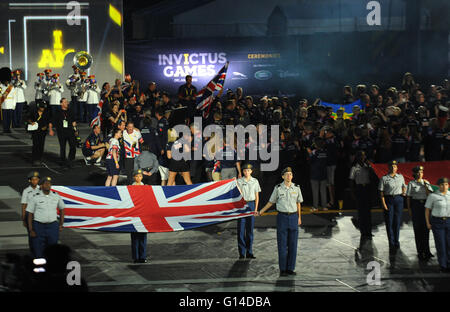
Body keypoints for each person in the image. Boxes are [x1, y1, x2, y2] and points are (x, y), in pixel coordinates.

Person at [257, 167, 303, 276]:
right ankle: (283, 269)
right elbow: (271, 202)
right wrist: (261, 211)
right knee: (282, 244)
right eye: (287, 174)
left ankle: (290, 268)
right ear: (283, 176)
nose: (289, 176)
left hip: (293, 217)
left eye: (290, 174)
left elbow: (298, 203)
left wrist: (299, 217)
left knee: (293, 244)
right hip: (282, 217)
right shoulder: (278, 188)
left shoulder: (296, 188)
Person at [27, 176, 65, 259]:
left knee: (53, 247)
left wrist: (61, 224)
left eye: (49, 184)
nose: (48, 185)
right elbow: (30, 214)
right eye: (46, 184)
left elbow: (62, 209)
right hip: (39, 226)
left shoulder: (56, 196)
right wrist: (31, 229)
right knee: (38, 248)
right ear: (41, 186)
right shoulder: (35, 197)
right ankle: (40, 268)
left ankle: (50, 267)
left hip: (52, 226)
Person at [406, 166, 434, 261]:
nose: (420, 174)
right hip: (416, 206)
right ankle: (420, 252)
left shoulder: (426, 182)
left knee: (426, 229)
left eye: (421, 172)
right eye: (418, 172)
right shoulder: (411, 183)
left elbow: (429, 195)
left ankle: (427, 251)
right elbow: (408, 197)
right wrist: (409, 209)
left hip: (425, 206)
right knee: (418, 230)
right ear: (414, 174)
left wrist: (426, 185)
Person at [378, 160, 406, 252]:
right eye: (391, 166)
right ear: (388, 168)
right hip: (389, 199)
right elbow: (381, 192)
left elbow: (403, 186)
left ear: (397, 168)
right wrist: (384, 204)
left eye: (395, 167)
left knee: (397, 222)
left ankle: (396, 241)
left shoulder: (400, 177)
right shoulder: (384, 178)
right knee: (389, 222)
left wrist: (404, 191)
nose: (393, 168)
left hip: (398, 199)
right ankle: (391, 242)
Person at [236, 163, 261, 259]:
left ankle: (249, 252)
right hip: (242, 205)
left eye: (248, 170)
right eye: (245, 171)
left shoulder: (255, 181)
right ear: (243, 171)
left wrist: (255, 209)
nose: (247, 172)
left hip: (251, 204)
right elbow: (238, 194)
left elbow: (257, 196)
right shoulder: (239, 181)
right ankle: (242, 253)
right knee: (241, 230)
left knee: (250, 230)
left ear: (251, 171)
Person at [425, 177, 450, 273]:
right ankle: (443, 265)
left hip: (449, 221)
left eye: (446, 184)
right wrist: (428, 222)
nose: (444, 186)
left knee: (449, 244)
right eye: (442, 185)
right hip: (437, 222)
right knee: (441, 244)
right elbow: (427, 210)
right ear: (438, 186)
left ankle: (449, 263)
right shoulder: (433, 196)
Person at [349, 151, 373, 240]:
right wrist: (352, 193)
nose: (363, 158)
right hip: (359, 188)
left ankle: (369, 231)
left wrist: (370, 166)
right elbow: (351, 181)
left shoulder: (368, 167)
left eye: (364, 156)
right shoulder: (355, 168)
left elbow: (372, 176)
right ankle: (363, 231)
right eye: (361, 156)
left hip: (367, 188)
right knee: (361, 211)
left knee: (368, 212)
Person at [48, 98, 78, 168]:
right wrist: (50, 130)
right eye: (65, 102)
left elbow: (74, 121)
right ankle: (63, 161)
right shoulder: (57, 112)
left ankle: (71, 160)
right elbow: (51, 122)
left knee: (73, 146)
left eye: (67, 102)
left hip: (70, 131)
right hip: (61, 131)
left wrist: (76, 130)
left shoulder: (70, 111)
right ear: (61, 103)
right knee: (63, 147)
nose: (66, 103)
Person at [130, 169, 149, 263]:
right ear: (134, 177)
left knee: (143, 237)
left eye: (140, 176)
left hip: (143, 215)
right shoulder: (130, 188)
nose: (138, 178)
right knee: (134, 238)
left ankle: (143, 256)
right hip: (134, 215)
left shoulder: (146, 187)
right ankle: (136, 257)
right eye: (137, 176)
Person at [21, 171, 41, 255]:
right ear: (30, 181)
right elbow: (24, 205)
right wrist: (23, 218)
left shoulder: (42, 189)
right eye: (33, 180)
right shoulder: (26, 191)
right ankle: (33, 251)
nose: (34, 181)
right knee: (31, 234)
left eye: (36, 179)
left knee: (40, 235)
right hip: (30, 216)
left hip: (39, 215)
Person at [26, 100, 50, 166]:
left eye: (44, 107)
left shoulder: (46, 113)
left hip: (43, 131)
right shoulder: (34, 112)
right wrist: (31, 122)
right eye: (41, 107)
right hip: (35, 131)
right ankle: (35, 159)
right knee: (35, 144)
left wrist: (46, 126)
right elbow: (28, 118)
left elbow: (48, 121)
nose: (43, 108)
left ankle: (39, 158)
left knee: (41, 145)